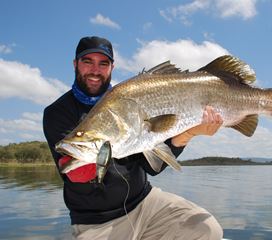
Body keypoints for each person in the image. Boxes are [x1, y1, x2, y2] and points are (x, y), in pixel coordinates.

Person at [43, 36, 224, 240]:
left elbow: (151, 168)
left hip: (145, 203)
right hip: (96, 223)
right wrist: (78, 163)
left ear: (112, 67)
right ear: (75, 64)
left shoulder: (126, 98)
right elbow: (74, 174)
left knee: (207, 228)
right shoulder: (56, 113)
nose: (95, 70)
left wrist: (190, 132)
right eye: (87, 62)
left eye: (103, 63)